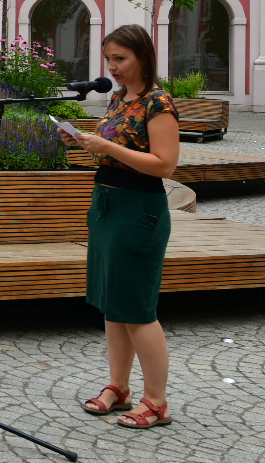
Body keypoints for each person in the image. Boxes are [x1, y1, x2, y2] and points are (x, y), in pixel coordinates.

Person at [59, 24, 180, 430]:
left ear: (142, 56)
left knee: (138, 308)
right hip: (107, 204)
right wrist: (83, 141)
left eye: (120, 59)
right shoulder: (119, 98)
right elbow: (117, 148)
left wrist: (107, 146)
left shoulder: (158, 103)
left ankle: (157, 401)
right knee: (113, 302)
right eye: (109, 59)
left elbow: (165, 164)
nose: (112, 67)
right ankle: (118, 387)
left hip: (138, 209)